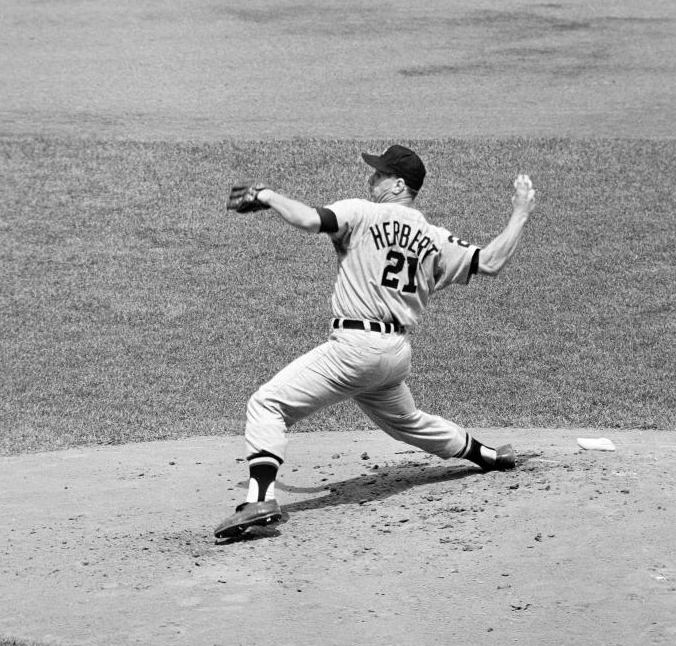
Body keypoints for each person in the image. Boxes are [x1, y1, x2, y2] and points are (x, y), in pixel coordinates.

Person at [214, 144, 537, 538]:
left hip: (355, 349)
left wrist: (266, 195)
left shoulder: (363, 212)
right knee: (408, 422)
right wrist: (520, 212)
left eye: (379, 174)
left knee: (267, 404)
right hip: (394, 354)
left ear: (399, 184)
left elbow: (308, 220)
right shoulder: (436, 238)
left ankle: (259, 500)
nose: (371, 179)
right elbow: (490, 262)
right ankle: (486, 455)